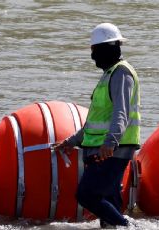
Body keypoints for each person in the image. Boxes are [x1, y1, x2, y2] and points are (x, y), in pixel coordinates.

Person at [55, 23, 140, 228]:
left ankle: (127, 227)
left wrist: (110, 143)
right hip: (103, 148)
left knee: (87, 195)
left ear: (108, 48)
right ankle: (115, 226)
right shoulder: (109, 74)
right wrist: (71, 141)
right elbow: (93, 122)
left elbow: (122, 112)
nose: (93, 56)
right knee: (108, 199)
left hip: (112, 149)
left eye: (95, 50)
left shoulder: (121, 73)